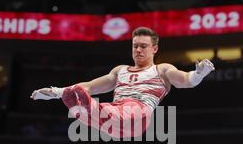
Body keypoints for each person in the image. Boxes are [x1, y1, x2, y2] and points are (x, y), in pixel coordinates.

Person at [30, 27, 215, 138]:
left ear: (155, 48)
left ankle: (89, 109)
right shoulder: (120, 71)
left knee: (116, 109)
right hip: (115, 124)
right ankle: (82, 110)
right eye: (135, 46)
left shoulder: (162, 69)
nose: (138, 50)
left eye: (143, 46)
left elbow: (186, 81)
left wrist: (199, 73)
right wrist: (56, 92)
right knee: (98, 111)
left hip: (139, 113)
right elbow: (89, 86)